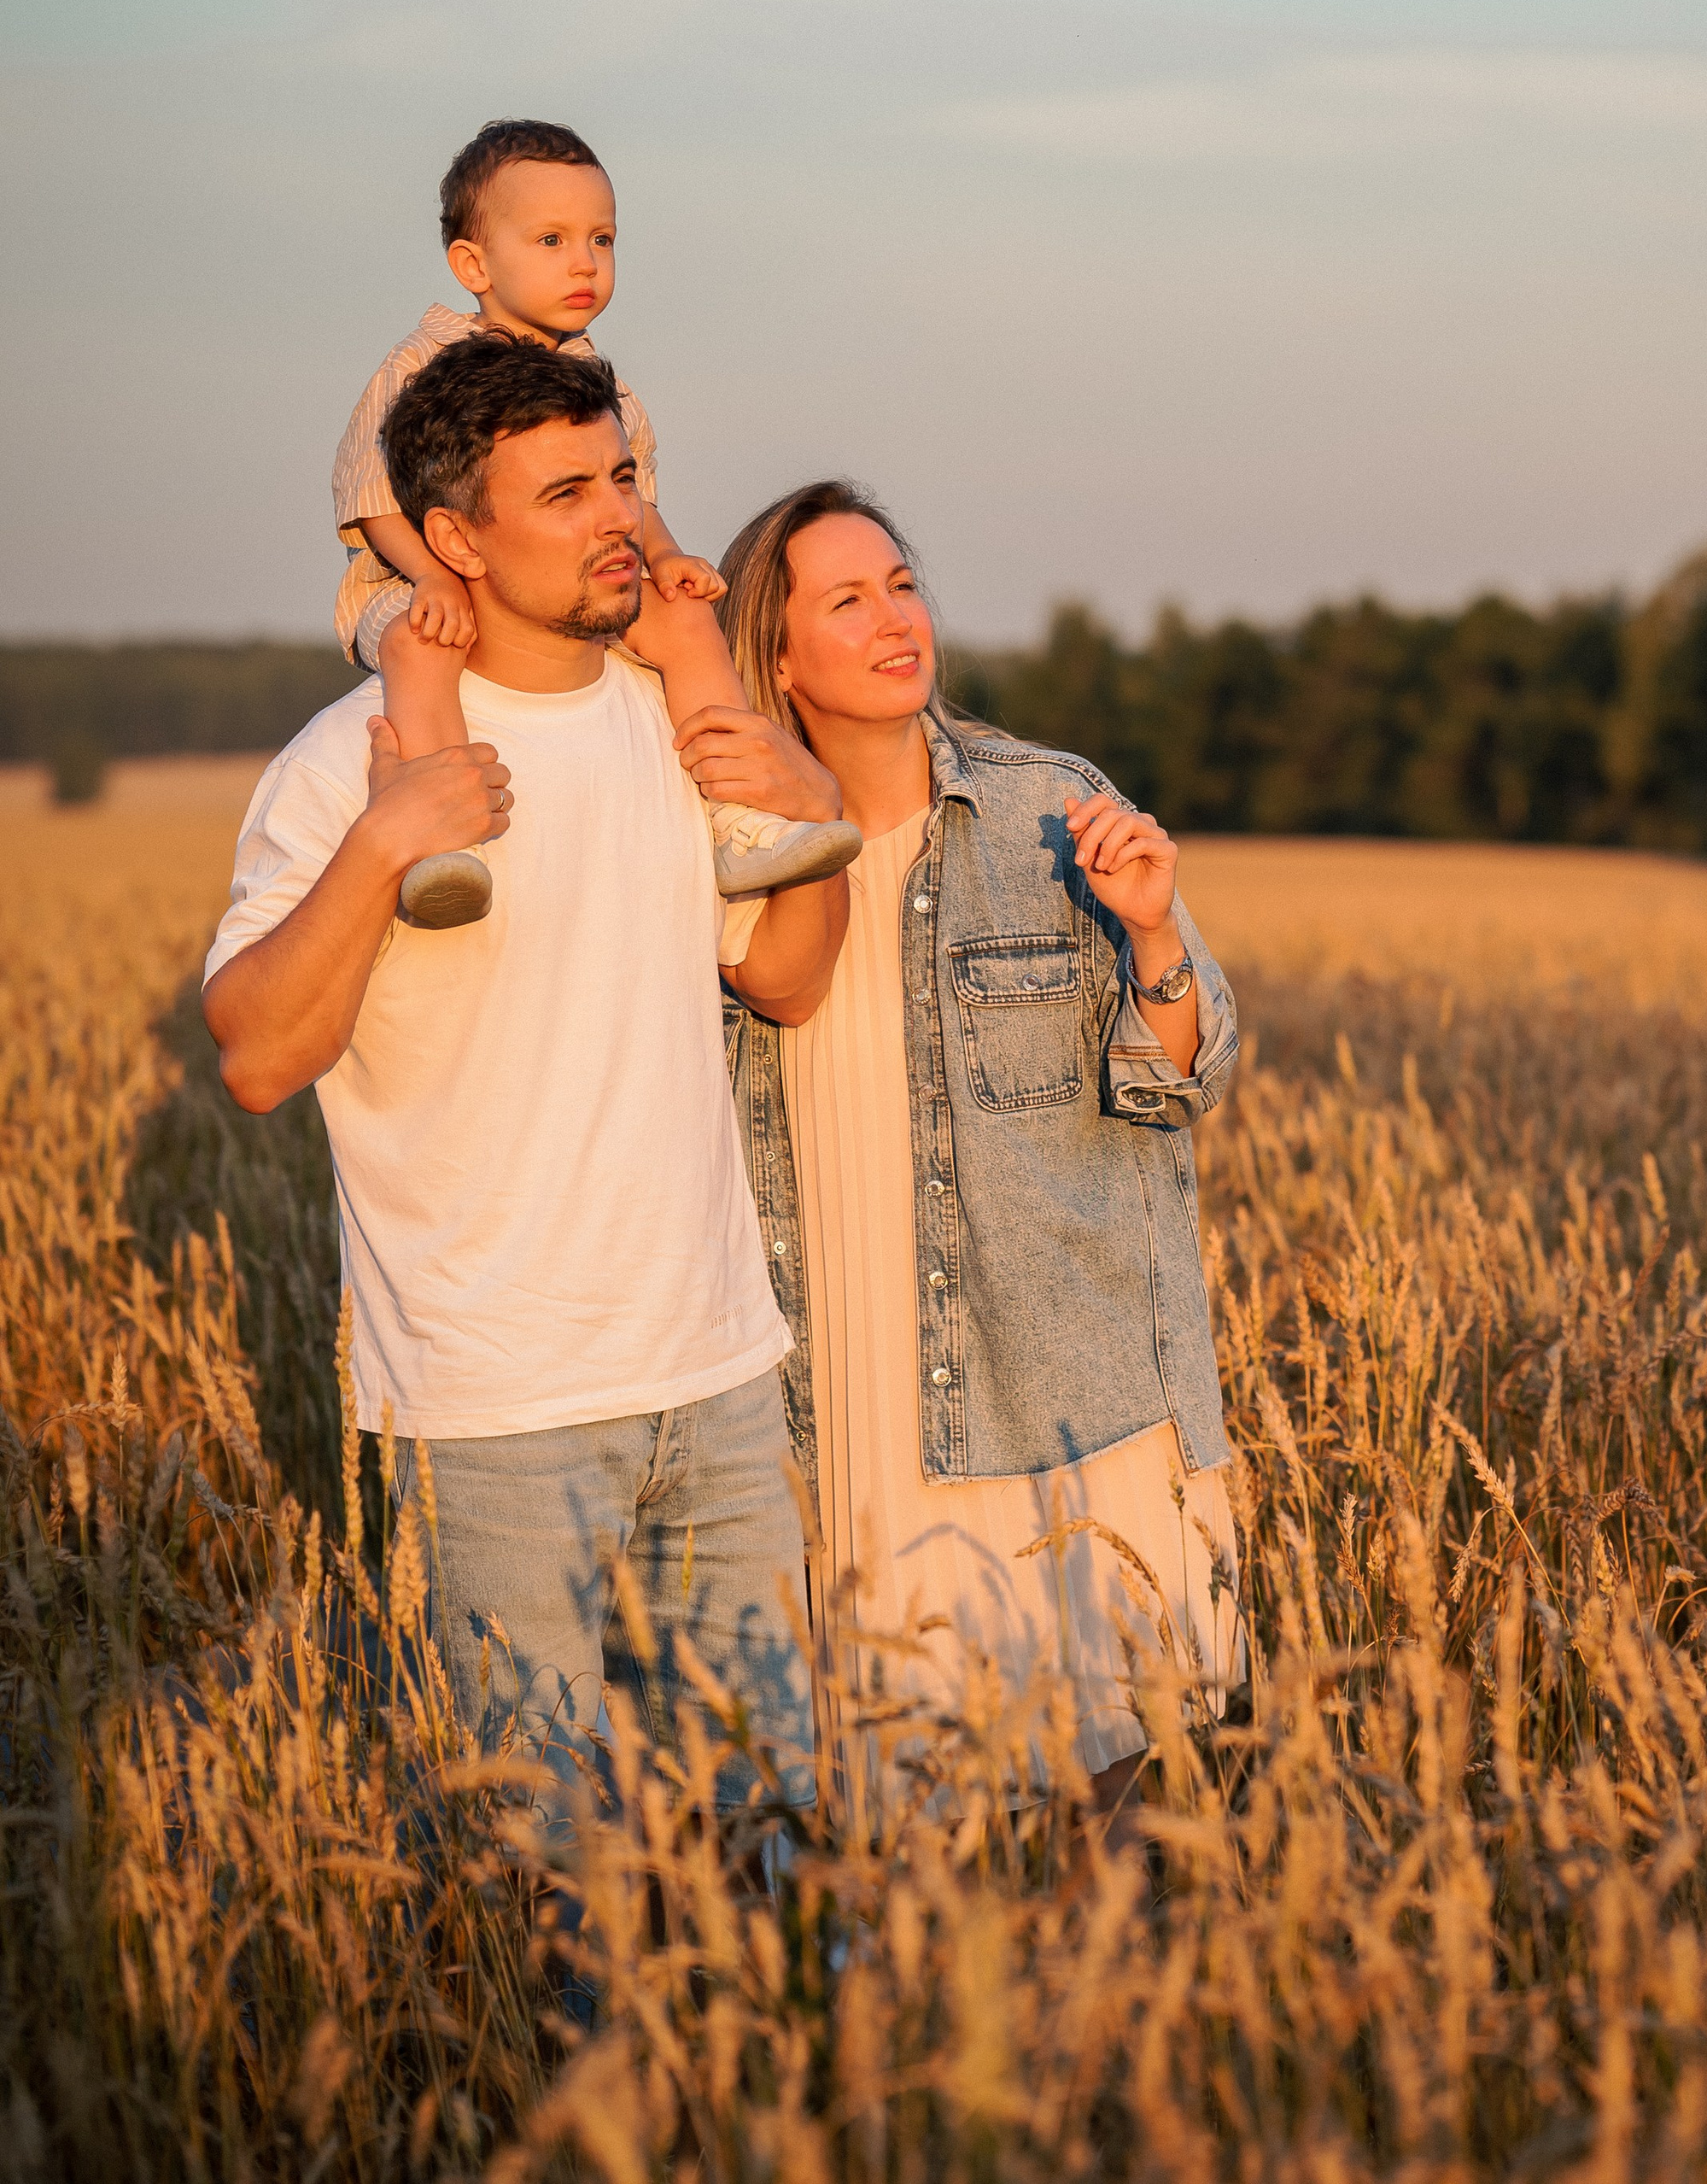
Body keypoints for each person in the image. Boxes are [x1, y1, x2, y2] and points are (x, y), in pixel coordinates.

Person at [204, 337, 851, 1806]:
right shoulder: (343, 762)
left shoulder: (678, 730)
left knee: (768, 1837)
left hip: (723, 1377)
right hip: (495, 1407)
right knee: (534, 1873)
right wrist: (384, 843)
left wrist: (818, 818)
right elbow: (256, 1056)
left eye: (622, 475)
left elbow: (791, 980)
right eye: (564, 492)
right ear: (453, 541)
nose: (618, 515)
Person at [687, 479, 1244, 1820]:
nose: (895, 617)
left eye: (900, 582)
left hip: (1066, 1383)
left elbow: (1186, 1081)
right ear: (775, 654)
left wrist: (1155, 931)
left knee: (1109, 1804)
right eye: (846, 598)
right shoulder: (724, 851)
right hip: (848, 1386)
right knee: (898, 1797)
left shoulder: (1050, 810)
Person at [331, 115, 859, 926]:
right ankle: (443, 843)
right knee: (422, 644)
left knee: (684, 618)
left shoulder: (598, 382)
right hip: (416, 578)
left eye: (602, 239)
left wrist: (668, 552)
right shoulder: (419, 367)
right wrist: (436, 575)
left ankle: (742, 814)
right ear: (473, 262)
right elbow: (368, 496)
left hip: (560, 587)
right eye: (551, 240)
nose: (584, 262)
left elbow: (633, 494)